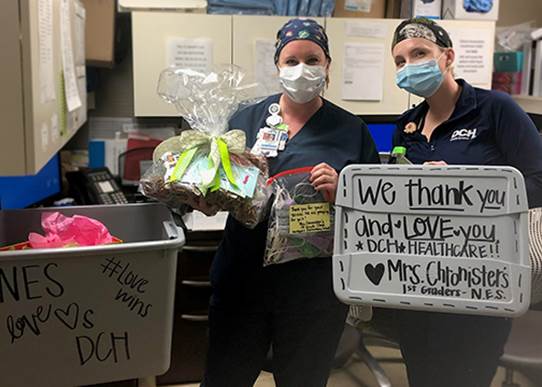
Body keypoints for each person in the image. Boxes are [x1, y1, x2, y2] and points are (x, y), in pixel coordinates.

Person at [200, 18, 380, 387]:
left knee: (303, 380)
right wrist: (207, 192)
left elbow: (372, 207)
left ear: (328, 65)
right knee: (224, 378)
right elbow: (213, 187)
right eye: (291, 60)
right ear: (277, 67)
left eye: (313, 60)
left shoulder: (351, 130)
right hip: (242, 280)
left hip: (312, 290)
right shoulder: (241, 119)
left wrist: (342, 190)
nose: (302, 70)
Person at [390, 17, 542, 387]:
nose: (409, 65)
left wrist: (467, 189)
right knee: (421, 375)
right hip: (417, 280)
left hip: (479, 280)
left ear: (447, 57)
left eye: (420, 53)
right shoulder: (407, 125)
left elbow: (538, 181)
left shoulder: (496, 110)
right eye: (399, 60)